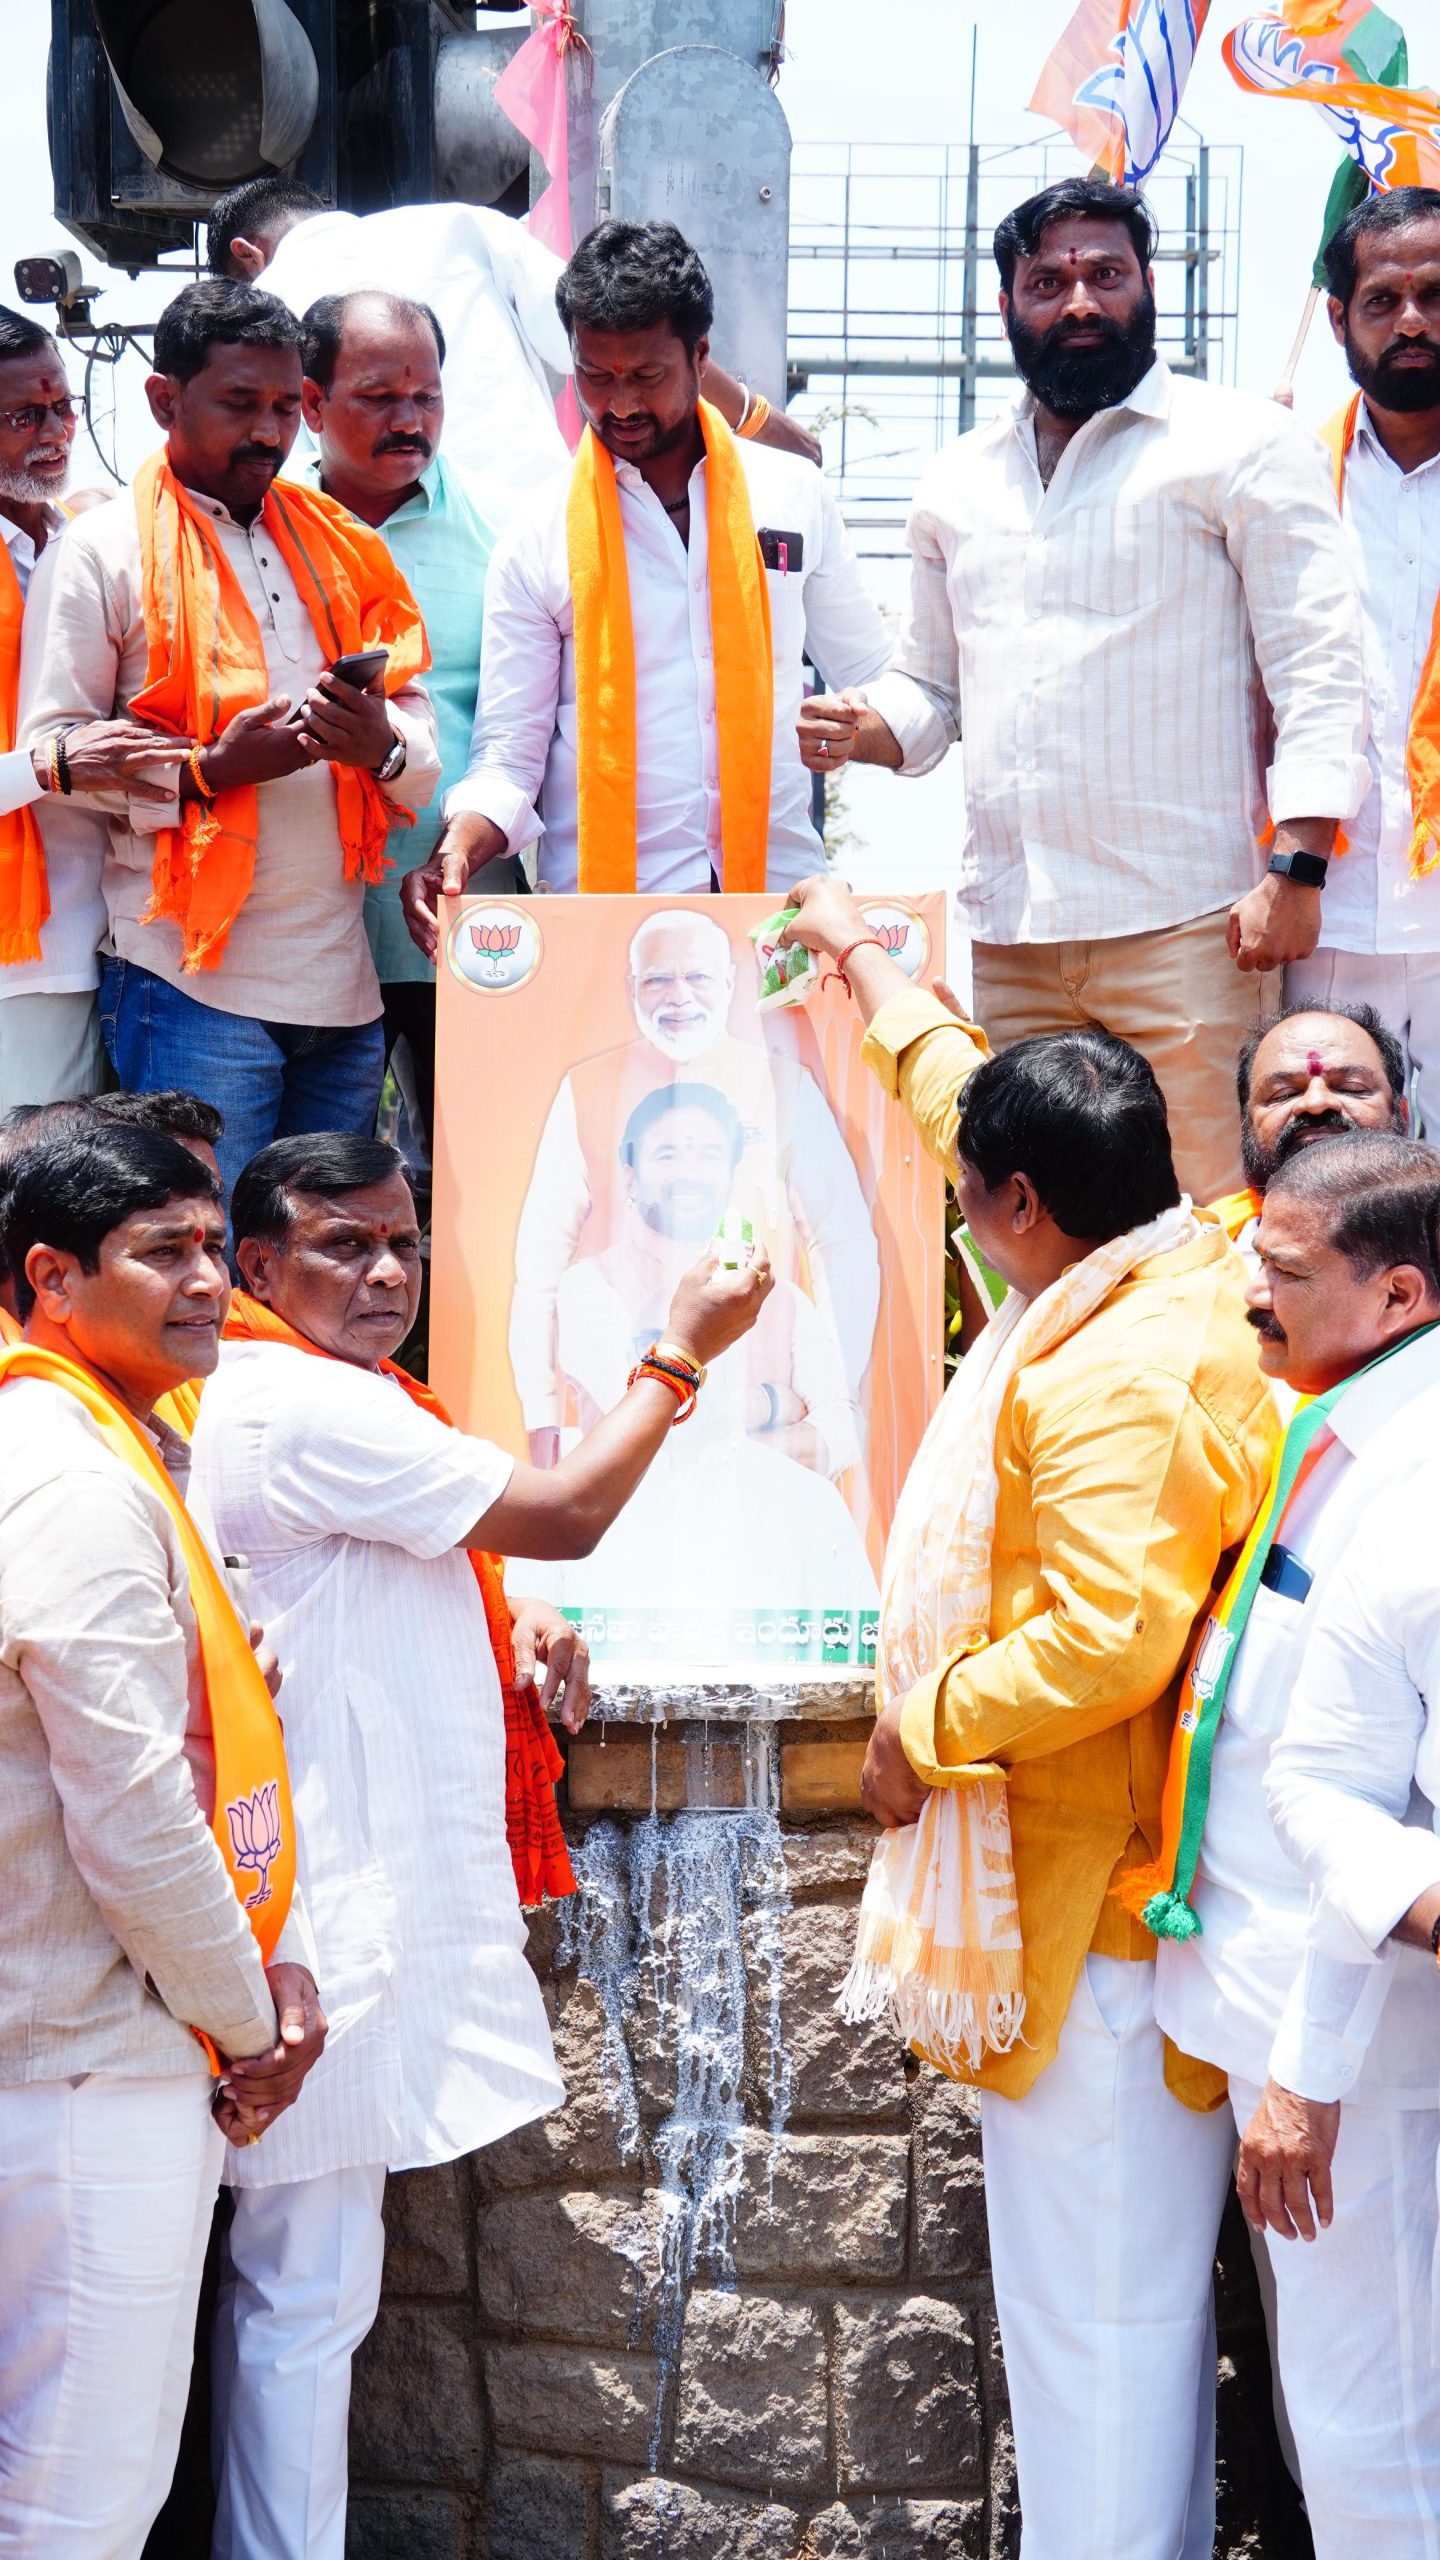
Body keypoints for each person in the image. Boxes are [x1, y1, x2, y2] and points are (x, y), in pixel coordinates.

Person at [780, 872, 1278, 2560]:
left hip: (1098, 1938)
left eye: (971, 1191)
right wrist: (856, 953)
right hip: (1082, 1918)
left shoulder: (1120, 1370)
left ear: (1017, 1206)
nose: (960, 1196)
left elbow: (1105, 1641)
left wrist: (918, 1726)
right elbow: (955, 1090)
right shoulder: (1127, 1255)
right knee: (1103, 2340)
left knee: (1102, 2343)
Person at [191, 1130, 770, 2559]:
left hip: (316, 1897)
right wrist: (679, 1355)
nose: (387, 1272)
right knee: (302, 2290)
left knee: (305, 2287)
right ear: (256, 1265)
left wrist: (507, 1608)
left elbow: (428, 1555)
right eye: (343, 1245)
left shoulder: (323, 1393)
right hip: (311, 1912)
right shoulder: (302, 1402)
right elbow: (564, 1511)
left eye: (402, 1241)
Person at [800, 176, 1370, 1204]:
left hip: (1192, 929)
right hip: (1015, 937)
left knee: (1209, 1224)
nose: (1079, 302)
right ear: (1005, 305)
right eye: (1047, 282)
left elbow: (1318, 665)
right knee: (1039, 1228)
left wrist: (1298, 865)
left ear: (1148, 285)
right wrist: (867, 725)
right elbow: (932, 688)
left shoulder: (1239, 443)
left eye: (1106, 275)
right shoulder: (959, 481)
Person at [0, 1119, 326, 2555]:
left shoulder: (92, 1440)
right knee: (80, 2502)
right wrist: (250, 2024)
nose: (209, 1281)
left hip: (78, 2043)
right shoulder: (71, 1477)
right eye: (164, 1252)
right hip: (89, 2060)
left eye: (211, 1247)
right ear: (52, 1278)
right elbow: (132, 1813)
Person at [1141, 1133, 1440, 2556]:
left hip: (1361, 2063)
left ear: (1397, 1295)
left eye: (1286, 1271)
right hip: (1297, 2036)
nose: (1252, 1293)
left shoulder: (1416, 1479)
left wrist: (1306, 2081)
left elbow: (1366, 1810)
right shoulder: (1340, 1422)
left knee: (1375, 2444)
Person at [16, 279, 441, 1197]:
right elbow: (56, 753)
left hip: (339, 986)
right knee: (204, 1254)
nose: (269, 433)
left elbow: (419, 747)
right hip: (187, 988)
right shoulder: (101, 550)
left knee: (319, 1255)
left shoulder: (340, 543)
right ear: (164, 400)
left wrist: (378, 745)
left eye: (287, 407)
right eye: (240, 403)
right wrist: (206, 772)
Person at [403, 219, 889, 922]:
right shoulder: (538, 535)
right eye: (595, 377)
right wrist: (456, 849)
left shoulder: (792, 495)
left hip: (779, 911)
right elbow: (509, 755)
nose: (621, 404)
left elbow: (877, 680)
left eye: (646, 376)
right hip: (605, 928)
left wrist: (857, 726)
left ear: (700, 356)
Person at [512, 906, 880, 1459]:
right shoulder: (586, 1088)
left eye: (698, 977)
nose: (679, 997)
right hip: (621, 1411)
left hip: (760, 1341)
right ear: (631, 987)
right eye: (658, 979)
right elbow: (540, 1261)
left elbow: (842, 1241)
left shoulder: (783, 1084)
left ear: (729, 984)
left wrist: (836, 1392)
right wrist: (541, 1414)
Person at [206, 175, 821, 499]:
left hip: (361, 581)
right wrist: (760, 421)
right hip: (536, 549)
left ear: (246, 254)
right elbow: (626, 334)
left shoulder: (265, 302)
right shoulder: (461, 225)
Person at [294, 288, 500, 1152]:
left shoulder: (504, 534)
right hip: (309, 935)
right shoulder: (265, 528)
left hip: (465, 918)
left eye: (427, 397)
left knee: (483, 1178)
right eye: (378, 397)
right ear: (312, 403)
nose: (409, 420)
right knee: (318, 1186)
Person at [545, 1079, 876, 1614]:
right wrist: (772, 1401)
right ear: (630, 1174)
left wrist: (732, 1455)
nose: (689, 1171)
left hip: (762, 1571)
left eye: (708, 1154)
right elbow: (652, 1426)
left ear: (730, 1173)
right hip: (627, 1570)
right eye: (667, 1154)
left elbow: (844, 1428)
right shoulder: (589, 1286)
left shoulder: (780, 1296)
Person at [0, 306, 196, 1109]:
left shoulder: (94, 540)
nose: (54, 434)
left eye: (62, 406)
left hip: (121, 941)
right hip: (20, 964)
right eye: (23, 417)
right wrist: (49, 765)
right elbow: (59, 758)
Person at [1283, 186, 1440, 1134]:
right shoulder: (1284, 479)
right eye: (1383, 300)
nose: (1412, 320)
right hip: (1324, 912)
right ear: (1339, 318)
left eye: (1435, 294)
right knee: (1330, 1187)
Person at [1214, 997, 1410, 1259]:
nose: (1316, 1103)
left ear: (1403, 1117)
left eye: (1351, 1088)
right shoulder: (1191, 1256)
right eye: (1284, 1094)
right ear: (1245, 1129)